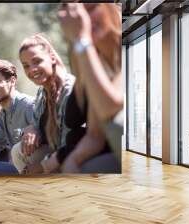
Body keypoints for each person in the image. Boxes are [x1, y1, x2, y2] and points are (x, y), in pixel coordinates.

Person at [58, 3, 123, 172]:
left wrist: (81, 39)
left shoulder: (131, 44)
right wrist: (71, 162)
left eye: (91, 9)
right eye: (78, 15)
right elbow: (95, 135)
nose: (83, 20)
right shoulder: (99, 63)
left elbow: (110, 106)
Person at [11, 34, 76, 174]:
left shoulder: (71, 91)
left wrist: (43, 166)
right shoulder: (42, 92)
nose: (32, 70)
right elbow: (36, 123)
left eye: (37, 61)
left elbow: (71, 143)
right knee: (18, 150)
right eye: (26, 66)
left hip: (73, 154)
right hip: (54, 151)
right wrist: (31, 128)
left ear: (52, 58)